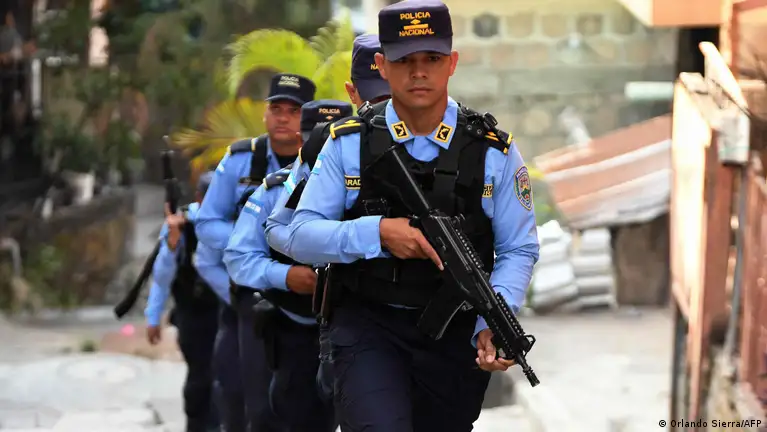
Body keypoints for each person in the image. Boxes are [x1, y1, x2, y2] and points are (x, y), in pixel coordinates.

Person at [279, 1, 540, 431]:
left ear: (452, 63)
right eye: (404, 61)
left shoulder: (493, 152)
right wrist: (378, 233)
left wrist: (493, 320)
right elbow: (298, 235)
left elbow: (518, 248)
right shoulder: (348, 143)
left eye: (432, 59)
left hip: (454, 334)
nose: (419, 72)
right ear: (382, 66)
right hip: (368, 325)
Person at [263, 33, 391, 403]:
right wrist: (332, 245)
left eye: (389, 95)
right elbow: (279, 227)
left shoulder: (451, 141)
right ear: (353, 94)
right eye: (373, 97)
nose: (383, 107)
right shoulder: (330, 145)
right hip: (354, 313)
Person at [195, 72, 317, 432]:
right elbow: (207, 223)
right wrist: (256, 239)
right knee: (250, 406)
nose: (283, 118)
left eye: (294, 111)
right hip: (254, 294)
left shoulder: (327, 162)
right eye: (276, 109)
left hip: (311, 303)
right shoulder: (240, 160)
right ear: (265, 114)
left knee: (312, 408)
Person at [224, 99, 353, 432]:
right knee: (281, 416)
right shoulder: (276, 190)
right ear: (301, 140)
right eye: (318, 139)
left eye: (336, 140)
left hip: (355, 328)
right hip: (294, 326)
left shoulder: (366, 189)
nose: (326, 150)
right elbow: (238, 258)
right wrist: (285, 276)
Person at [145, 172, 220, 432]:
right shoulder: (181, 224)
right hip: (193, 315)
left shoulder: (232, 219)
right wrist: (153, 317)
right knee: (201, 378)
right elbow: (162, 275)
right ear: (199, 197)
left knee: (226, 377)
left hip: (224, 310)